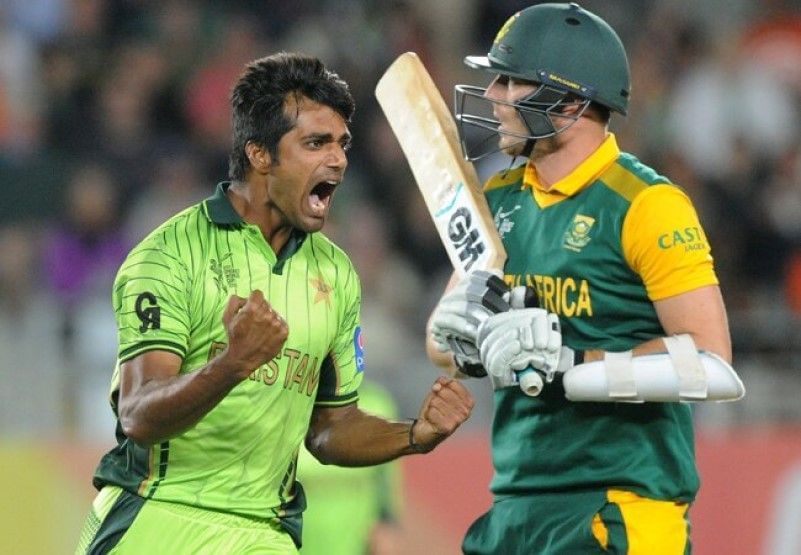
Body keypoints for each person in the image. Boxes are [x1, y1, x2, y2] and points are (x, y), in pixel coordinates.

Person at [75, 52, 474, 555]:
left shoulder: (336, 274)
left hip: (266, 532)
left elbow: (330, 429)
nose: (339, 160)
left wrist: (416, 434)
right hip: (158, 517)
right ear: (260, 154)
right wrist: (232, 364)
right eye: (316, 143)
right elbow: (138, 415)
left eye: (342, 144)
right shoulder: (168, 255)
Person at [427, 4, 744, 554]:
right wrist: (454, 336)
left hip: (621, 505)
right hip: (514, 506)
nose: (494, 95)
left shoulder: (647, 205)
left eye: (512, 81)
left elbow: (713, 365)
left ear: (570, 101)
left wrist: (575, 366)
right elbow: (444, 342)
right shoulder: (497, 197)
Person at [296, 380, 404, 555]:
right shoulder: (291, 401)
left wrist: (386, 523)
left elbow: (387, 478)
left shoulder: (377, 403)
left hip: (354, 539)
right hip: (298, 538)